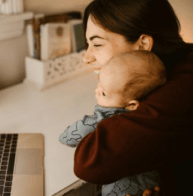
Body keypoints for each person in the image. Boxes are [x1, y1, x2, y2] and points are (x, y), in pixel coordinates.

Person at [73, 0, 193, 196]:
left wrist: (107, 101)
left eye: (97, 44)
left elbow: (88, 162)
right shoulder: (163, 72)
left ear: (142, 44)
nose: (87, 57)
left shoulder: (182, 89)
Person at [60, 50, 165, 196]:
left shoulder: (106, 118)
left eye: (104, 93)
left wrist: (97, 115)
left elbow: (67, 138)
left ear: (132, 105)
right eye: (99, 83)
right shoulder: (150, 119)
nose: (96, 91)